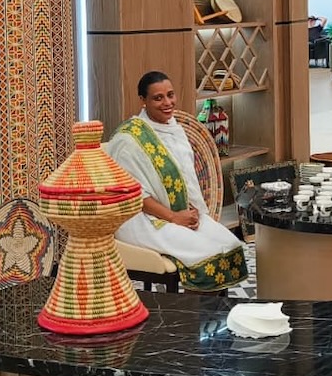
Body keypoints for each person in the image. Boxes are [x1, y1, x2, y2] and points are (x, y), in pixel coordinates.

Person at [103, 71, 247, 291]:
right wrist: (173, 217)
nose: (167, 103)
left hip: (178, 213)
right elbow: (132, 195)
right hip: (141, 220)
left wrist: (191, 210)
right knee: (206, 254)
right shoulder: (128, 140)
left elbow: (185, 179)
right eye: (158, 98)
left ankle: (214, 318)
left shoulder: (174, 129)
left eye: (170, 95)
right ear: (143, 100)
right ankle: (190, 318)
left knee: (229, 245)